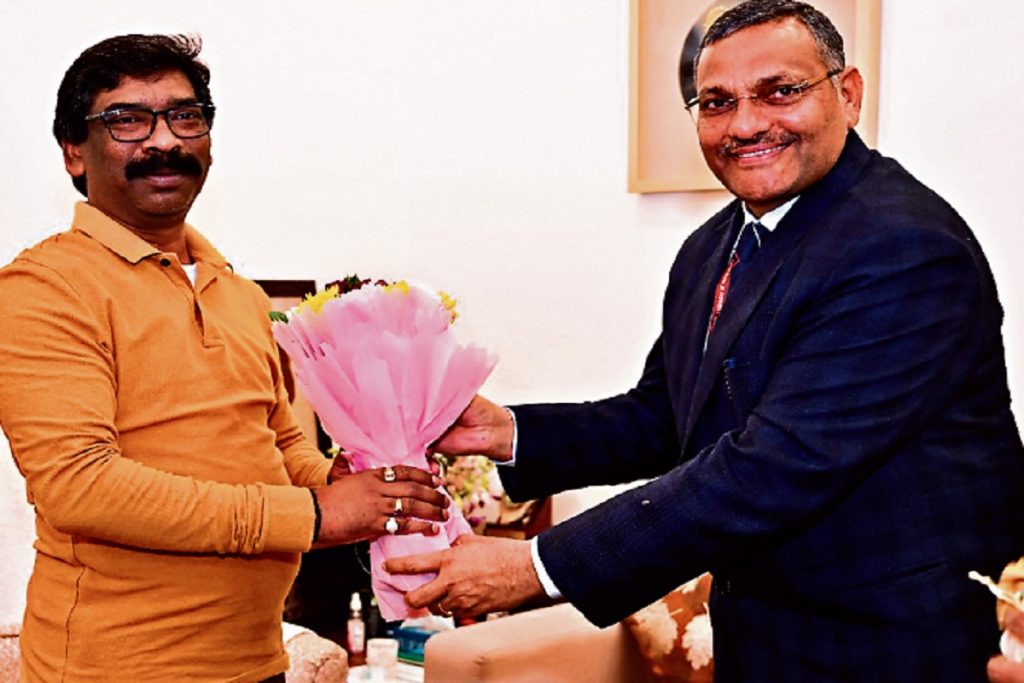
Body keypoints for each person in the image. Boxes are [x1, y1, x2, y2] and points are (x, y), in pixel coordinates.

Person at [387, 1, 1024, 679]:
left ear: (848, 94)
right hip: (761, 638)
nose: (745, 124)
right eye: (717, 102)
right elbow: (667, 415)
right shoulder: (713, 246)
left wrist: (537, 565)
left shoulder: (903, 247)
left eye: (780, 91)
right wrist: (506, 431)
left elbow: (773, 467)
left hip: (895, 645)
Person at [0, 34, 448, 682]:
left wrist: (354, 479)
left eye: (185, 116)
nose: (164, 140)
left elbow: (280, 447)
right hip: (114, 670)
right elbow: (80, 485)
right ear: (74, 149)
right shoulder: (44, 287)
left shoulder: (239, 294)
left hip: (256, 661)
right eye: (128, 120)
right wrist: (316, 515)